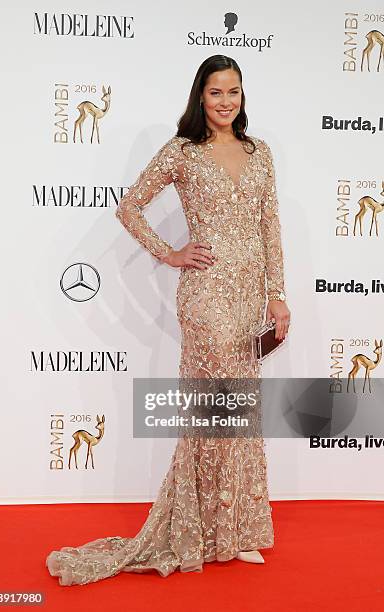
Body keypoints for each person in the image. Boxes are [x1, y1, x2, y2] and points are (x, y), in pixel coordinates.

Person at [46, 54, 291, 586]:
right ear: (199, 97)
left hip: (251, 297)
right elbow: (129, 206)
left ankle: (235, 531)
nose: (226, 102)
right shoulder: (183, 151)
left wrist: (278, 295)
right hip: (206, 297)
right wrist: (171, 252)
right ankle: (196, 530)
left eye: (234, 92)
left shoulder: (259, 152)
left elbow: (271, 227)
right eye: (216, 92)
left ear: (242, 96)